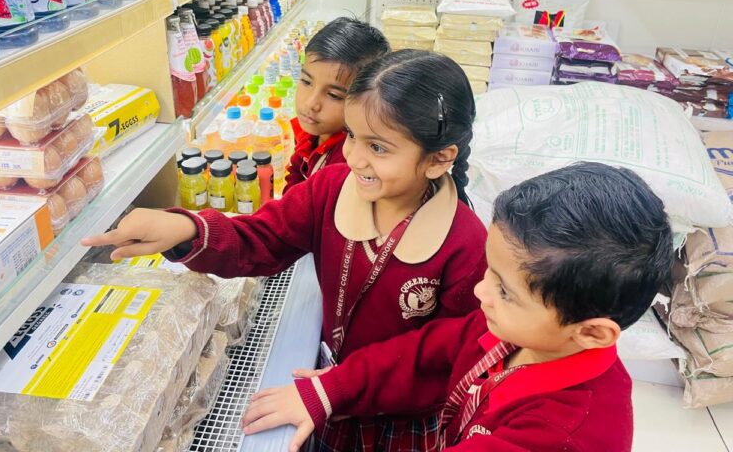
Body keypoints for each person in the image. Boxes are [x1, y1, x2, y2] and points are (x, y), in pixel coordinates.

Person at [82, 50, 488, 452]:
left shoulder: (465, 245)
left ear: (438, 159)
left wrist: (337, 387)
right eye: (351, 135)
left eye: (378, 148)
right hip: (326, 396)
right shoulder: (330, 189)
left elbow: (440, 356)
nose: (354, 157)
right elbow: (263, 237)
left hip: (395, 421)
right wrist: (188, 228)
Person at [241, 162, 674, 452]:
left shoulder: (563, 432)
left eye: (505, 291)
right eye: (490, 272)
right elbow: (426, 351)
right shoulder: (514, 334)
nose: (482, 292)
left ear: (592, 332)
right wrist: (332, 388)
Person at [285, 16, 390, 193]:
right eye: (306, 81)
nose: (312, 103)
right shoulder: (313, 131)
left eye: (333, 95)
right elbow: (295, 173)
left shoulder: (349, 163)